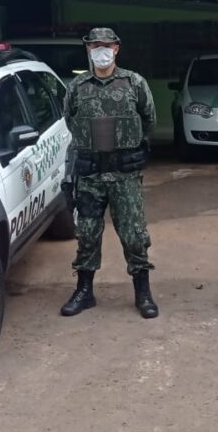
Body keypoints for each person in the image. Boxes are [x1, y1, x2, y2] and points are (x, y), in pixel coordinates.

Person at [59, 27, 159, 319]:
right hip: (90, 176)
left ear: (116, 48)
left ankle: (143, 291)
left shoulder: (134, 82)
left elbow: (148, 120)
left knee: (134, 234)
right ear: (88, 50)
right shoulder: (78, 86)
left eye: (106, 45)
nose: (100, 51)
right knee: (87, 233)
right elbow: (70, 121)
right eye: (95, 46)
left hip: (124, 175)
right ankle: (84, 291)